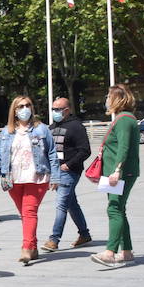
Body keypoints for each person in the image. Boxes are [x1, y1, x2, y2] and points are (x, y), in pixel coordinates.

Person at [0, 96, 59, 266]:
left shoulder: (41, 129)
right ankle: (33, 247)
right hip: (13, 178)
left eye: (28, 105)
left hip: (37, 177)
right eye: (20, 106)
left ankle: (26, 248)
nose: (25, 109)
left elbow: (52, 153)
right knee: (25, 215)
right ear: (14, 110)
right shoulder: (7, 131)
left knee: (29, 212)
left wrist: (55, 177)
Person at [91, 83, 141, 269]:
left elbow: (124, 147)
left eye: (108, 96)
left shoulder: (124, 120)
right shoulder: (124, 119)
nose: (106, 100)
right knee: (119, 208)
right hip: (116, 172)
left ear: (117, 99)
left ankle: (110, 252)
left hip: (119, 173)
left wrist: (117, 170)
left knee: (114, 209)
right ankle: (126, 251)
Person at [45, 96, 92, 251]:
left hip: (69, 172)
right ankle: (84, 234)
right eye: (53, 109)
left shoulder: (76, 126)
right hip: (56, 172)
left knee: (61, 204)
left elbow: (85, 150)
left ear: (67, 110)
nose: (54, 112)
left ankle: (54, 239)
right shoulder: (51, 128)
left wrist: (69, 165)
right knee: (72, 204)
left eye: (57, 109)